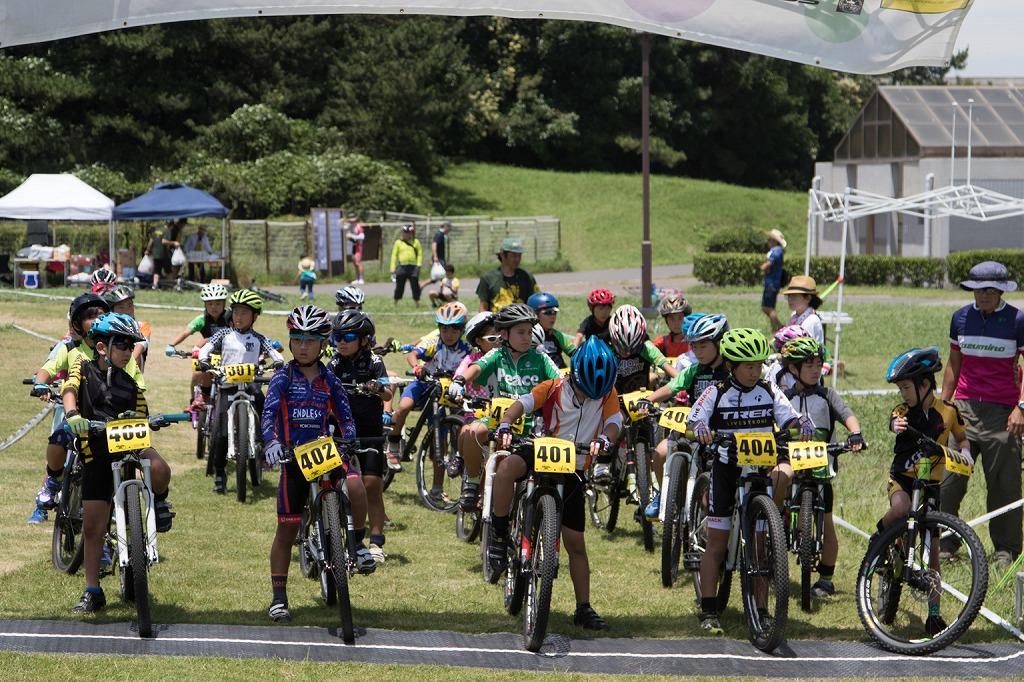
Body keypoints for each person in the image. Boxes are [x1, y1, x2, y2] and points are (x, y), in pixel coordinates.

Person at [490, 336, 622, 631]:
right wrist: (506, 424)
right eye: (585, 391)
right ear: (574, 377)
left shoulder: (608, 393)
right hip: (542, 451)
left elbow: (615, 421)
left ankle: (583, 607)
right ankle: (499, 534)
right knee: (506, 468)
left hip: (574, 467)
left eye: (597, 394)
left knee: (576, 544)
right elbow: (522, 403)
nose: (590, 398)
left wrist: (605, 438)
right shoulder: (554, 386)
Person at [687, 328, 812, 636]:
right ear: (731, 366)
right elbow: (695, 418)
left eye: (758, 365)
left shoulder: (769, 389)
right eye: (748, 366)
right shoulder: (716, 391)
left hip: (758, 471)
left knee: (759, 546)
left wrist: (801, 423)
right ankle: (709, 609)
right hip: (727, 470)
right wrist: (700, 426)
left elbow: (789, 416)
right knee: (717, 543)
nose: (755, 371)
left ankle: (763, 610)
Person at [262, 305, 375, 623]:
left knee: (356, 485)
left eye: (310, 340)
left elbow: (345, 417)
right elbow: (268, 414)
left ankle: (358, 543)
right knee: (286, 530)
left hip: (327, 451)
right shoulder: (282, 378)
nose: (303, 346)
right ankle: (279, 598)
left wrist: (349, 439)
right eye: (297, 339)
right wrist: (271, 442)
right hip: (293, 457)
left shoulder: (331, 380)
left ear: (323, 343)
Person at [63, 312, 173, 614]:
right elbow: (69, 390)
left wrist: (146, 420)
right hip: (96, 451)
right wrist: (72, 415)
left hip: (128, 444)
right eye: (122, 344)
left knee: (161, 468)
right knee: (93, 527)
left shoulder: (130, 383)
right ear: (102, 347)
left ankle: (159, 503)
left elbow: (142, 416)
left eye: (131, 345)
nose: (128, 351)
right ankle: (92, 591)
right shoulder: (83, 368)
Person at [27, 294, 145, 524]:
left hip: (112, 420)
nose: (96, 319)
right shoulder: (70, 348)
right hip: (79, 416)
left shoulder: (117, 349)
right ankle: (53, 481)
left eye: (101, 314)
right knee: (57, 441)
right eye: (90, 316)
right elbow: (47, 369)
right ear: (77, 324)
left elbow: (135, 384)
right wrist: (41, 383)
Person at [939, 261, 1024, 570]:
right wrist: (943, 407)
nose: (983, 295)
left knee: (1004, 485)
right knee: (948, 481)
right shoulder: (960, 318)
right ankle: (946, 540)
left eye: (989, 289)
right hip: (963, 410)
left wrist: (1020, 407)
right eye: (977, 289)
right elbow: (954, 364)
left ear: (1001, 291)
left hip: (1003, 413)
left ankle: (1005, 549)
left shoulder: (1017, 320)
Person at [884, 346, 971, 635]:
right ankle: (879, 539)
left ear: (924, 384)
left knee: (933, 550)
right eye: (900, 389)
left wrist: (965, 453)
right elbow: (894, 422)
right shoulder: (902, 411)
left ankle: (934, 614)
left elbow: (962, 438)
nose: (903, 394)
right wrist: (896, 425)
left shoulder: (949, 411)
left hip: (930, 484)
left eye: (906, 388)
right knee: (900, 509)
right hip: (903, 479)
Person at [447, 303, 562, 510]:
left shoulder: (541, 358)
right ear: (504, 334)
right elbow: (477, 367)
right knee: (472, 431)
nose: (527, 338)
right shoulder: (496, 355)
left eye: (529, 332)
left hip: (533, 427)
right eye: (521, 332)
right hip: (498, 422)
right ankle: (472, 484)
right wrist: (460, 380)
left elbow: (562, 382)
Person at [781, 336, 864, 598]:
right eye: (809, 365)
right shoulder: (784, 398)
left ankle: (826, 578)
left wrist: (855, 433)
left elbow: (847, 415)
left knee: (827, 521)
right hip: (791, 464)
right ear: (793, 368)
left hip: (821, 467)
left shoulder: (828, 395)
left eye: (819, 364)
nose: (816, 369)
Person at [633, 313, 731, 514]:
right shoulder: (694, 370)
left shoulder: (731, 371)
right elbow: (672, 387)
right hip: (695, 429)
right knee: (660, 452)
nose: (698, 352)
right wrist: (649, 400)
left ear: (719, 343)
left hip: (722, 435)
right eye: (694, 346)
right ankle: (663, 495)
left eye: (703, 346)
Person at [198, 289, 285, 495]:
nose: (239, 317)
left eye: (244, 313)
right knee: (221, 434)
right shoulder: (224, 334)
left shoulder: (258, 338)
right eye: (236, 312)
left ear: (254, 316)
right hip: (227, 385)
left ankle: (265, 445)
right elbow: (207, 347)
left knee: (266, 411)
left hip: (250, 383)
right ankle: (220, 476)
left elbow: (274, 353)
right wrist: (203, 359)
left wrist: (278, 362)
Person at [326, 309, 393, 565]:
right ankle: (336, 534)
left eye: (349, 337)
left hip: (369, 431)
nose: (341, 342)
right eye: (337, 337)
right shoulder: (333, 363)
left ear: (364, 339)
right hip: (340, 431)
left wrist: (378, 387)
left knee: (372, 485)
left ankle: (376, 543)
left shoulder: (375, 361)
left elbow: (388, 394)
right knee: (333, 483)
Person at [384, 302, 470, 481]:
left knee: (440, 440)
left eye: (454, 330)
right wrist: (417, 367)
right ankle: (393, 443)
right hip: (425, 383)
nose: (448, 335)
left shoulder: (467, 347)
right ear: (439, 329)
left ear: (462, 330)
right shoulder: (435, 341)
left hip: (448, 390)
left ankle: (437, 488)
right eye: (444, 330)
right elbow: (413, 354)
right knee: (403, 407)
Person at [165, 283, 231, 411]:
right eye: (210, 304)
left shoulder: (230, 317)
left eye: (218, 303)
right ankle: (194, 403)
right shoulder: (202, 319)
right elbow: (186, 332)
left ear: (224, 304)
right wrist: (171, 345)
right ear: (205, 305)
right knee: (197, 374)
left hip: (228, 354)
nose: (214, 307)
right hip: (208, 354)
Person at [607, 304, 677, 393]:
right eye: (622, 347)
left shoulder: (646, 347)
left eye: (633, 348)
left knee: (655, 378)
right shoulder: (606, 349)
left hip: (642, 397)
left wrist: (685, 383)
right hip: (613, 396)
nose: (627, 352)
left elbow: (667, 366)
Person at [476, 237, 539, 312]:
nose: (517, 259)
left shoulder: (527, 277)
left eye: (519, 255)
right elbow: (483, 306)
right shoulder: (488, 278)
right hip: (497, 318)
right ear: (502, 255)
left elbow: (537, 302)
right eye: (513, 256)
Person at [104, 285, 152, 372]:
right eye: (121, 307)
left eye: (130, 306)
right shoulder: (106, 328)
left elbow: (140, 346)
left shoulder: (141, 326)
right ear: (111, 310)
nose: (127, 311)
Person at [527, 292, 574, 369]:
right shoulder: (527, 336)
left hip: (559, 373)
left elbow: (575, 354)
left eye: (555, 312)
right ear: (534, 314)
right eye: (548, 312)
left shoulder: (558, 335)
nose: (553, 316)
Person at [783, 275, 824, 346]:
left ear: (808, 298)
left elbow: (805, 349)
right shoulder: (794, 316)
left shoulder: (811, 321)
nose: (790, 299)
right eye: (789, 295)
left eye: (794, 295)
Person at [759, 229, 787, 332]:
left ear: (775, 241)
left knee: (769, 308)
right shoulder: (777, 251)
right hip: (771, 282)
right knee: (766, 307)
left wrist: (764, 267)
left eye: (769, 240)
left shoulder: (776, 251)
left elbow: (767, 265)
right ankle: (780, 326)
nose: (768, 242)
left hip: (772, 283)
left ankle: (776, 329)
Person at [652, 293, 693, 361]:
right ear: (666, 321)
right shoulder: (663, 342)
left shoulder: (693, 341)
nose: (676, 323)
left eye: (680, 318)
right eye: (672, 319)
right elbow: (645, 350)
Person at [390, 224, 423, 306]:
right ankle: (396, 302)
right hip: (402, 266)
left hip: (413, 267)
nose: (407, 235)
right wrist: (392, 267)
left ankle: (417, 302)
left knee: (415, 285)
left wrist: (418, 265)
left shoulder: (416, 242)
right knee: (399, 285)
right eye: (405, 233)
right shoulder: (398, 243)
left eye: (409, 233)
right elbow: (394, 255)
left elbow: (419, 254)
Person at [144, 220, 181, 290]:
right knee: (169, 271)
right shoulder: (167, 231)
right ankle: (170, 285)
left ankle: (155, 285)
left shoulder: (157, 230)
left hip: (156, 254)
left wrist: (148, 250)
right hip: (164, 255)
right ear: (171, 226)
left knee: (157, 271)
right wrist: (173, 243)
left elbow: (151, 240)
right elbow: (164, 241)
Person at [345, 212, 365, 285]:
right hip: (353, 245)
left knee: (358, 262)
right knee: (354, 262)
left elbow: (362, 236)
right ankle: (357, 278)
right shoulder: (351, 226)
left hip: (358, 246)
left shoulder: (358, 226)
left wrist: (353, 236)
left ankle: (361, 278)